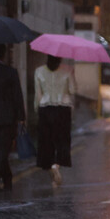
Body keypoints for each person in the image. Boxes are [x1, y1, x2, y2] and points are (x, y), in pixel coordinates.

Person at [34, 54, 76, 186]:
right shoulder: (67, 70)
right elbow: (73, 90)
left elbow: (38, 94)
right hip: (63, 110)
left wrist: (37, 109)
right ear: (60, 59)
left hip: (45, 109)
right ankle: (57, 165)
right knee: (62, 139)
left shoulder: (39, 71)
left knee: (47, 140)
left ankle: (50, 164)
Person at [0, 44, 25, 192]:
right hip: (6, 119)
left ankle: (6, 179)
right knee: (3, 151)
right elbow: (17, 97)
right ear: (3, 54)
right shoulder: (10, 72)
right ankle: (1, 177)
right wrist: (21, 117)